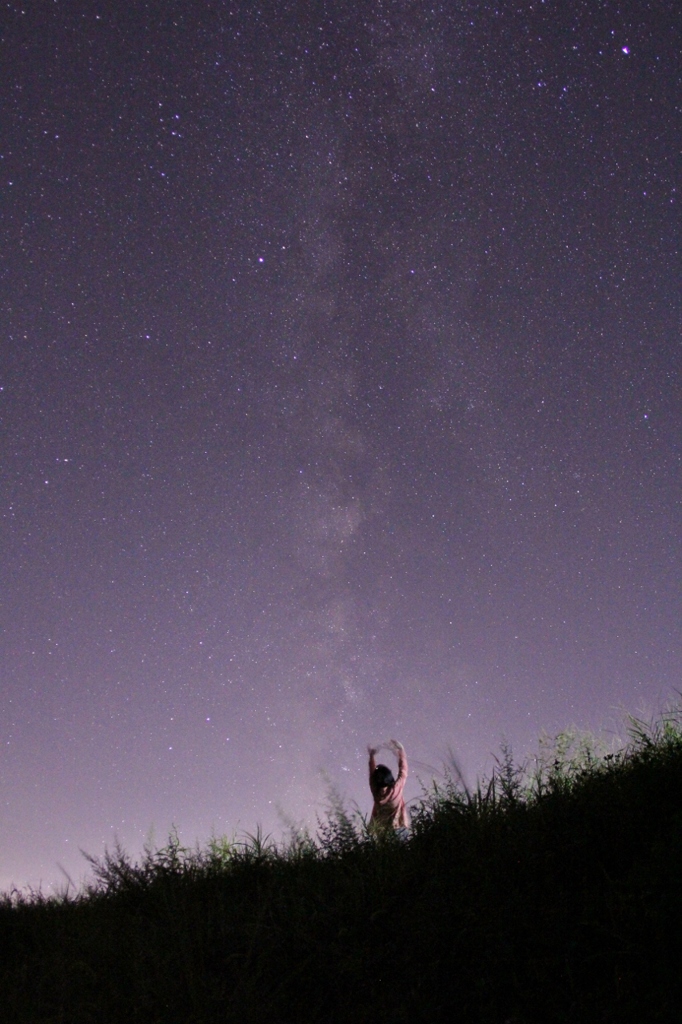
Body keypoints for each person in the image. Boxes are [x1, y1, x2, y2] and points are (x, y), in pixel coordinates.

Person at [368, 739, 409, 835]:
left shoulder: (375, 791)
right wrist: (401, 751)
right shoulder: (395, 790)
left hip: (381, 832)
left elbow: (372, 774)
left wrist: (371, 756)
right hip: (399, 828)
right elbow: (403, 772)